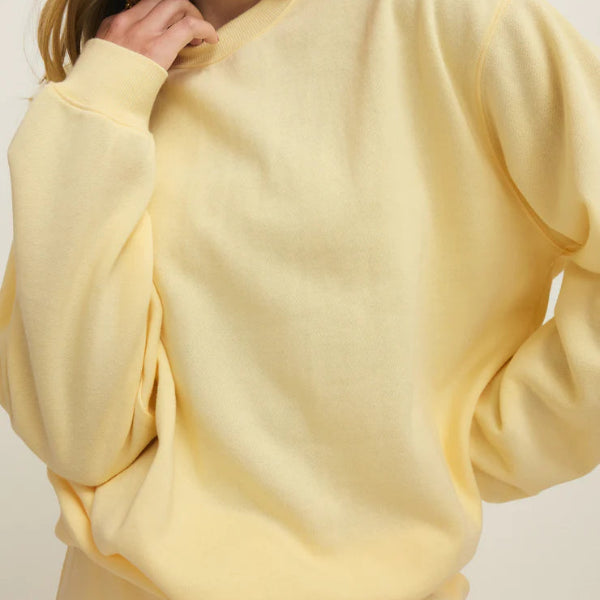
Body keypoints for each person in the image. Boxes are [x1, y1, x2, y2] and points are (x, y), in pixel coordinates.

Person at [1, 0, 599, 598]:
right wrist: (103, 98)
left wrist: (481, 446)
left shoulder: (461, 25)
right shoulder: (116, 70)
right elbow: (80, 442)